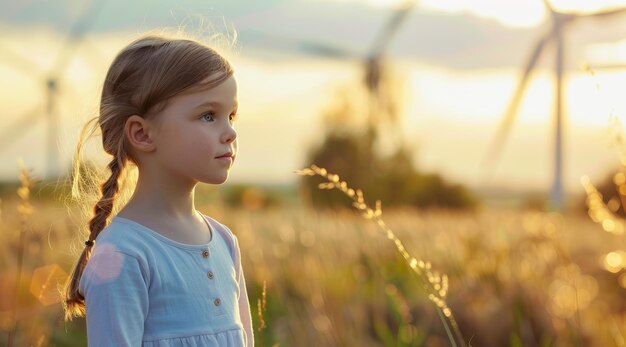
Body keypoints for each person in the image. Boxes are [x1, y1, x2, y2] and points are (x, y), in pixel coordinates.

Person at [61, 32, 254, 346]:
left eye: (231, 116)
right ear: (142, 133)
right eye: (208, 116)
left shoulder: (224, 242)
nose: (230, 132)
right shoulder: (124, 254)